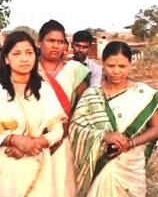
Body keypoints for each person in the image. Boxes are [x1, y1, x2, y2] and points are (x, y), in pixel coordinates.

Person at [0, 31, 66, 197]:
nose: (24, 58)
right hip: (6, 168)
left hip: (39, 164)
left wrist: (33, 145)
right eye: (17, 53)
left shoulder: (44, 90)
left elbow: (58, 131)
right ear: (7, 59)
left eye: (29, 53)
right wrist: (14, 140)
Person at [69, 41, 158, 197]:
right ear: (103, 64)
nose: (116, 71)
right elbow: (75, 128)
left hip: (131, 167)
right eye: (111, 66)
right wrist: (104, 136)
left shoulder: (144, 94)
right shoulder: (92, 95)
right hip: (98, 166)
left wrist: (130, 143)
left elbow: (156, 128)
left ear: (130, 64)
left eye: (122, 66)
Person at [38, 20, 90, 197]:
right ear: (40, 42)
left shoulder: (76, 70)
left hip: (64, 139)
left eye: (60, 42)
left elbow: (82, 107)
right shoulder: (29, 68)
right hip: (33, 138)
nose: (56, 46)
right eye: (50, 41)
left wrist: (63, 132)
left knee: (61, 187)